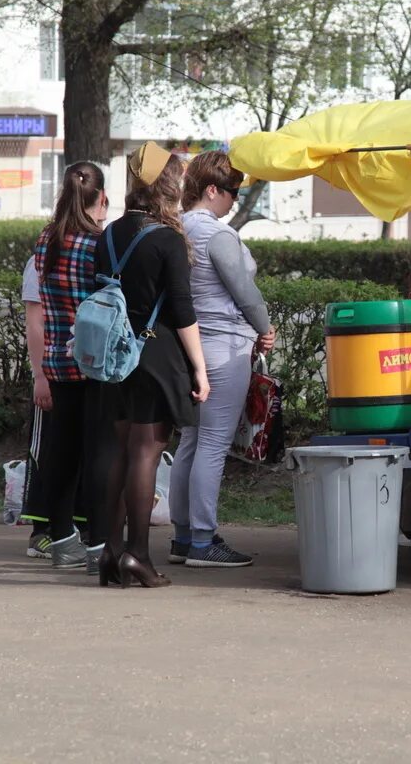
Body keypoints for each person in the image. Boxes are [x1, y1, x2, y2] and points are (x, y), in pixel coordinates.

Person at [92, 142, 209, 588]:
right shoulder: (167, 238)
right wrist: (199, 369)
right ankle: (138, 555)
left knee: (122, 451)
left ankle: (110, 551)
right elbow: (183, 310)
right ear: (167, 184)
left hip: (115, 354)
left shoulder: (108, 234)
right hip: (155, 355)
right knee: (147, 450)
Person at [170, 151, 275, 568]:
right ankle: (202, 540)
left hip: (191, 348)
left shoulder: (175, 229)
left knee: (190, 443)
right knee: (212, 445)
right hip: (225, 348)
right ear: (211, 190)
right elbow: (244, 292)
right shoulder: (217, 235)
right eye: (231, 192)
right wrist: (264, 327)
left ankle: (182, 537)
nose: (233, 200)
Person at [32, 161, 110, 570]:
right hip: (95, 363)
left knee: (60, 452)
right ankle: (100, 544)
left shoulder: (47, 240)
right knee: (98, 454)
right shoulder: (99, 243)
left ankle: (62, 538)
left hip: (58, 361)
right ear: (100, 198)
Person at [18, 255, 88, 558]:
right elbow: (35, 319)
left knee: (83, 449)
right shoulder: (42, 258)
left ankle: (79, 524)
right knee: (46, 448)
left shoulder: (91, 250)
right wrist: (40, 375)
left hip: (85, 370)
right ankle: (41, 529)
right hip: (53, 369)